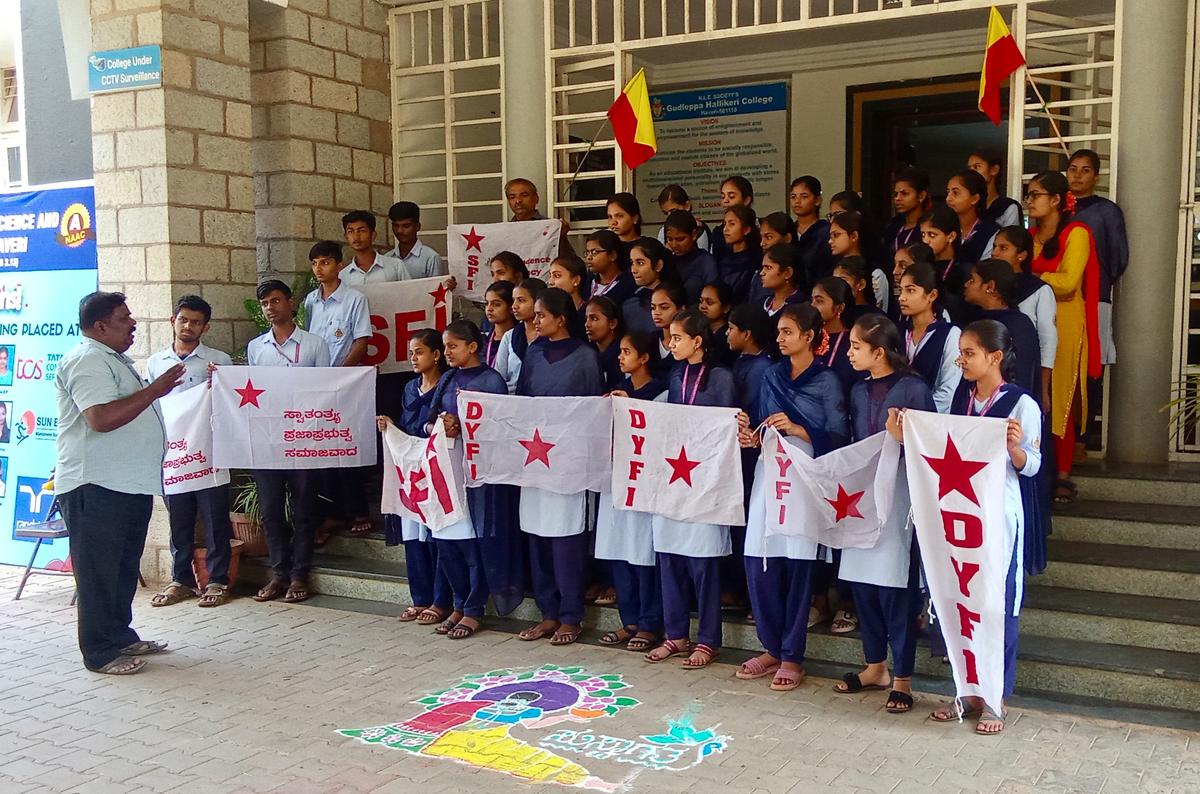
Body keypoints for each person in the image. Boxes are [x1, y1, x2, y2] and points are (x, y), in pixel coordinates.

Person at [914, 319, 1042, 735]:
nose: (962, 361)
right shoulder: (962, 399)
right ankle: (966, 692)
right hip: (961, 515)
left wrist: (1015, 450)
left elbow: (1033, 465)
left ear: (995, 356)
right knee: (959, 599)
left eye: (969, 353)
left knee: (996, 604)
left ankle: (995, 698)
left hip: (998, 520)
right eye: (961, 354)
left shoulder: (1021, 404)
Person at [55, 292, 183, 675]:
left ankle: (119, 636)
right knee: (99, 573)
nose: (133, 323)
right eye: (124, 318)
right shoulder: (87, 360)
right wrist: (154, 390)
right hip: (95, 486)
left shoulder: (111, 358)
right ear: (100, 326)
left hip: (126, 484)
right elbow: (100, 418)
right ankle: (99, 653)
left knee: (123, 569)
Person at [734, 303, 849, 691]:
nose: (780, 339)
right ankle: (771, 647)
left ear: (809, 336)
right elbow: (764, 427)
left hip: (806, 476)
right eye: (779, 332)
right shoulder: (771, 375)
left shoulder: (827, 380)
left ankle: (792, 656)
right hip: (770, 472)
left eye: (788, 332)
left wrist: (800, 429)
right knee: (760, 556)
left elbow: (840, 437)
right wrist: (751, 435)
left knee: (798, 562)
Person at [833, 314, 933, 713]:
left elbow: (930, 446)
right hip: (863, 494)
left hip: (901, 495)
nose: (850, 353)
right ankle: (875, 666)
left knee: (895, 587)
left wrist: (902, 439)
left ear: (879, 352)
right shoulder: (858, 390)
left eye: (856, 346)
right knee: (863, 583)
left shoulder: (914, 388)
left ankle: (903, 677)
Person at [645, 309, 735, 670]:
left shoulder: (721, 377)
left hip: (707, 480)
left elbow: (725, 427)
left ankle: (708, 639)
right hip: (675, 476)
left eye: (678, 337)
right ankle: (676, 633)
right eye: (670, 337)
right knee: (670, 558)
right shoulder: (676, 373)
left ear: (698, 341)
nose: (671, 343)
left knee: (703, 563)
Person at [516, 288, 605, 646]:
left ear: (561, 318)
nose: (535, 321)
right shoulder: (533, 352)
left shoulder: (585, 357)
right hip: (535, 455)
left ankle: (571, 615)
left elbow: (593, 410)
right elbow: (522, 401)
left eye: (541, 315)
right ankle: (548, 613)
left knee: (566, 537)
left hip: (570, 460)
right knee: (537, 535)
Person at [425, 320, 525, 635]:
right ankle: (458, 602)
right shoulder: (448, 378)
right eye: (445, 346)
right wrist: (440, 426)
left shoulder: (491, 381)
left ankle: (473, 607)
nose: (447, 352)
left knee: (475, 542)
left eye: (453, 346)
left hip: (482, 475)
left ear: (472, 347)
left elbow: (501, 427)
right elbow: (427, 421)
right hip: (450, 470)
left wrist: (464, 428)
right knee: (449, 540)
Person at [145, 295, 235, 609]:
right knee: (179, 522)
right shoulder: (157, 362)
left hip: (209, 454)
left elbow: (231, 404)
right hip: (173, 455)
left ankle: (218, 580)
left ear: (205, 327)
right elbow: (151, 405)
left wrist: (219, 382)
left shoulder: (219, 361)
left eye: (196, 322)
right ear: (173, 321)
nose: (188, 326)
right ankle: (180, 580)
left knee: (215, 520)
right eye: (183, 320)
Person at [248, 279, 331, 605]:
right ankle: (279, 573)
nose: (270, 307)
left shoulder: (314, 344)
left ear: (290, 302)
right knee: (270, 510)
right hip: (269, 439)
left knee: (304, 509)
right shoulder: (256, 347)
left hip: (303, 438)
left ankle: (299, 574)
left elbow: (326, 390)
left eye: (275, 300)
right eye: (265, 303)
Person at [1027, 170, 1102, 503]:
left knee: (1061, 397)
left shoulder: (1078, 233)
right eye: (1029, 195)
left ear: (1056, 200)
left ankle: (1063, 475)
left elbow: (1070, 282)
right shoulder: (1029, 236)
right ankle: (1035, 468)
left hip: (1066, 323)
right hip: (1031, 320)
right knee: (1031, 392)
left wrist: (1030, 275)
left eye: (1036, 195)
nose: (1030, 201)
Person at [596, 331, 668, 653]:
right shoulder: (616, 390)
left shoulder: (662, 393)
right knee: (619, 549)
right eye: (621, 351)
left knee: (643, 552)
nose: (621, 357)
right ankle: (629, 620)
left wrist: (633, 407)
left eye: (627, 352)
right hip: (617, 479)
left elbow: (661, 434)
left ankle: (650, 623)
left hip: (645, 481)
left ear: (645, 357)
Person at [376, 329, 451, 626]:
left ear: (436, 354)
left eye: (419, 352)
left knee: (436, 535)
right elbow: (408, 426)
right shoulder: (409, 388)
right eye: (410, 353)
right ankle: (420, 598)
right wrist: (391, 427)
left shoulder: (447, 385)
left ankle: (441, 600)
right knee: (413, 536)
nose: (413, 358)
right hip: (411, 470)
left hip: (437, 467)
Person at [303, 240, 374, 537]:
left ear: (339, 265)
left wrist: (339, 375)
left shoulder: (355, 299)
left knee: (346, 445)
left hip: (345, 383)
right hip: (315, 386)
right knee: (321, 447)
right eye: (315, 263)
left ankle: (357, 510)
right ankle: (331, 514)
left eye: (326, 262)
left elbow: (361, 341)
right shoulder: (309, 301)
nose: (319, 268)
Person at [725, 303, 775, 615]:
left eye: (732, 328)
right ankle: (735, 588)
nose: (727, 333)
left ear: (747, 333)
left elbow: (757, 412)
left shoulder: (762, 369)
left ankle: (744, 591)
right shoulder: (740, 363)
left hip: (749, 452)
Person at [1068, 149, 1128, 366]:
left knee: (1092, 361)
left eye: (1085, 170)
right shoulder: (1058, 208)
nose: (1077, 175)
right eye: (1073, 169)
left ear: (1096, 177)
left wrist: (1099, 278)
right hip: (1060, 296)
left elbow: (1118, 257)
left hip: (1094, 293)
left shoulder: (1107, 211)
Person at [993, 226, 1057, 407]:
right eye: (994, 247)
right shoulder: (988, 287)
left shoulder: (1039, 289)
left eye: (1003, 248)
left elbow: (1048, 340)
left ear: (1021, 255)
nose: (995, 253)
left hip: (1025, 371)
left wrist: (1043, 386)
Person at [964, 259, 1042, 398]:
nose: (966, 285)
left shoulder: (1018, 325)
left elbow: (1023, 375)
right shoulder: (975, 320)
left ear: (990, 286)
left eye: (972, 280)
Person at [897, 261, 961, 412]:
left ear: (932, 295)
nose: (901, 297)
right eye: (901, 290)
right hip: (894, 416)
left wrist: (915, 415)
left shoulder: (950, 334)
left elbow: (948, 391)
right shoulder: (898, 331)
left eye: (910, 290)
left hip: (931, 418)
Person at [920, 204, 977, 326]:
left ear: (951, 236)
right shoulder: (922, 267)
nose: (925, 241)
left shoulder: (966, 270)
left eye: (932, 235)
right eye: (923, 235)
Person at [811, 276, 860, 402]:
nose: (812, 306)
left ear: (839, 308)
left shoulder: (853, 342)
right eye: (812, 300)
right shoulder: (809, 336)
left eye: (819, 301)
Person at [830, 212, 889, 315]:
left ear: (854, 236)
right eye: (830, 236)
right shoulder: (832, 267)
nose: (830, 241)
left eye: (836, 235)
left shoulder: (874, 273)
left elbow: (880, 312)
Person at [494, 278, 546, 394]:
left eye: (521, 300)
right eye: (514, 300)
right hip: (511, 399)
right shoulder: (509, 336)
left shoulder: (550, 336)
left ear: (538, 302)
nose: (514, 306)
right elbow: (499, 378)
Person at [505, 177, 574, 258]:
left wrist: (562, 236)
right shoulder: (506, 231)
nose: (518, 201)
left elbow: (569, 260)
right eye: (512, 197)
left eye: (524, 195)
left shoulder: (550, 227)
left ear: (536, 198)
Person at [621, 237, 676, 336]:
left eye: (640, 263)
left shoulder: (673, 297)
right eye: (632, 263)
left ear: (658, 265)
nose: (633, 270)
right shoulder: (630, 302)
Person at [339, 209, 410, 285]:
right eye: (350, 232)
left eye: (362, 231)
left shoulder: (395, 266)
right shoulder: (343, 276)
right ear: (346, 237)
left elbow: (411, 291)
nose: (356, 237)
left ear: (373, 235)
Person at [946, 169, 1000, 266]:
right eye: (948, 192)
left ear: (975, 199)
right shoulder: (942, 227)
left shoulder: (990, 232)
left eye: (955, 193)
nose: (948, 199)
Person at [663, 210, 719, 303]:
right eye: (670, 239)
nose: (674, 245)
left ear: (694, 235)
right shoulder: (668, 261)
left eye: (680, 239)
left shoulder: (706, 261)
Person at [790, 176, 833, 285]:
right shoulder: (789, 230)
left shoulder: (826, 231)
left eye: (804, 196)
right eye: (793, 197)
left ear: (817, 200)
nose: (797, 201)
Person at [386, 201, 445, 279]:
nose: (399, 231)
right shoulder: (387, 258)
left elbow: (436, 285)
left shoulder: (431, 258)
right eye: (396, 226)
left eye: (406, 226)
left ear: (417, 226)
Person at [717, 203, 762, 303]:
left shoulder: (757, 259)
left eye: (732, 224)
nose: (725, 229)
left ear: (746, 229)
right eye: (725, 224)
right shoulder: (723, 257)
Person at [968, 148, 1023, 228]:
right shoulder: (969, 205)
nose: (971, 173)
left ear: (994, 170)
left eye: (977, 167)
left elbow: (1012, 235)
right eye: (970, 168)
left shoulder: (1008, 207)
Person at [882, 167, 930, 255]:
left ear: (921, 196)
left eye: (904, 193)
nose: (897, 198)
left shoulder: (930, 229)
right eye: (896, 194)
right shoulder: (893, 227)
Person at [584, 229, 635, 307]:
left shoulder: (628, 284)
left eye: (594, 252)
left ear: (613, 255)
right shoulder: (589, 280)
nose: (589, 257)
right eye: (587, 253)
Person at [710, 175, 755, 262]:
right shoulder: (719, 232)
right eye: (723, 197)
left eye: (731, 196)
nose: (725, 201)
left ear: (746, 200)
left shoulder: (761, 228)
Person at [656, 184, 712, 251]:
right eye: (665, 213)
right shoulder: (663, 231)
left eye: (673, 211)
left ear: (687, 206)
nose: (669, 216)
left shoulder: (699, 229)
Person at [584, 295, 623, 391]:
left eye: (594, 319)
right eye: (586, 318)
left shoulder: (623, 354)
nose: (587, 324)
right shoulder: (585, 353)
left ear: (612, 323)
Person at [834, 255, 885, 326]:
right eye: (834, 280)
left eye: (842, 279)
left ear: (861, 284)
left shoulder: (875, 318)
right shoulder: (835, 313)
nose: (836, 285)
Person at [650, 283, 688, 377]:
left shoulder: (688, 344)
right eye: (653, 308)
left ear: (681, 309)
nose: (656, 313)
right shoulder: (649, 342)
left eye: (664, 307)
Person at [546, 254, 589, 339]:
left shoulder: (587, 312)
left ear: (576, 280)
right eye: (550, 276)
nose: (550, 282)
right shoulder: (548, 311)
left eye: (557, 276)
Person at [760, 244, 806, 315]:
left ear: (788, 273)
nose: (761, 273)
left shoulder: (801, 306)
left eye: (768, 267)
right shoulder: (762, 303)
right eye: (763, 267)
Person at [698, 281, 735, 368]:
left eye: (709, 302)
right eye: (701, 301)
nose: (703, 306)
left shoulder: (729, 337)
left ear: (726, 308)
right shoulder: (697, 330)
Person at [482, 280, 515, 370]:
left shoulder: (519, 340)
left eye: (496, 304)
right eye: (487, 303)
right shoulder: (482, 340)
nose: (489, 308)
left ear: (511, 307)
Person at [607, 192, 643, 269]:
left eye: (619, 216)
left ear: (635, 218)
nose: (613, 222)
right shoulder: (606, 248)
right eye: (610, 217)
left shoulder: (647, 247)